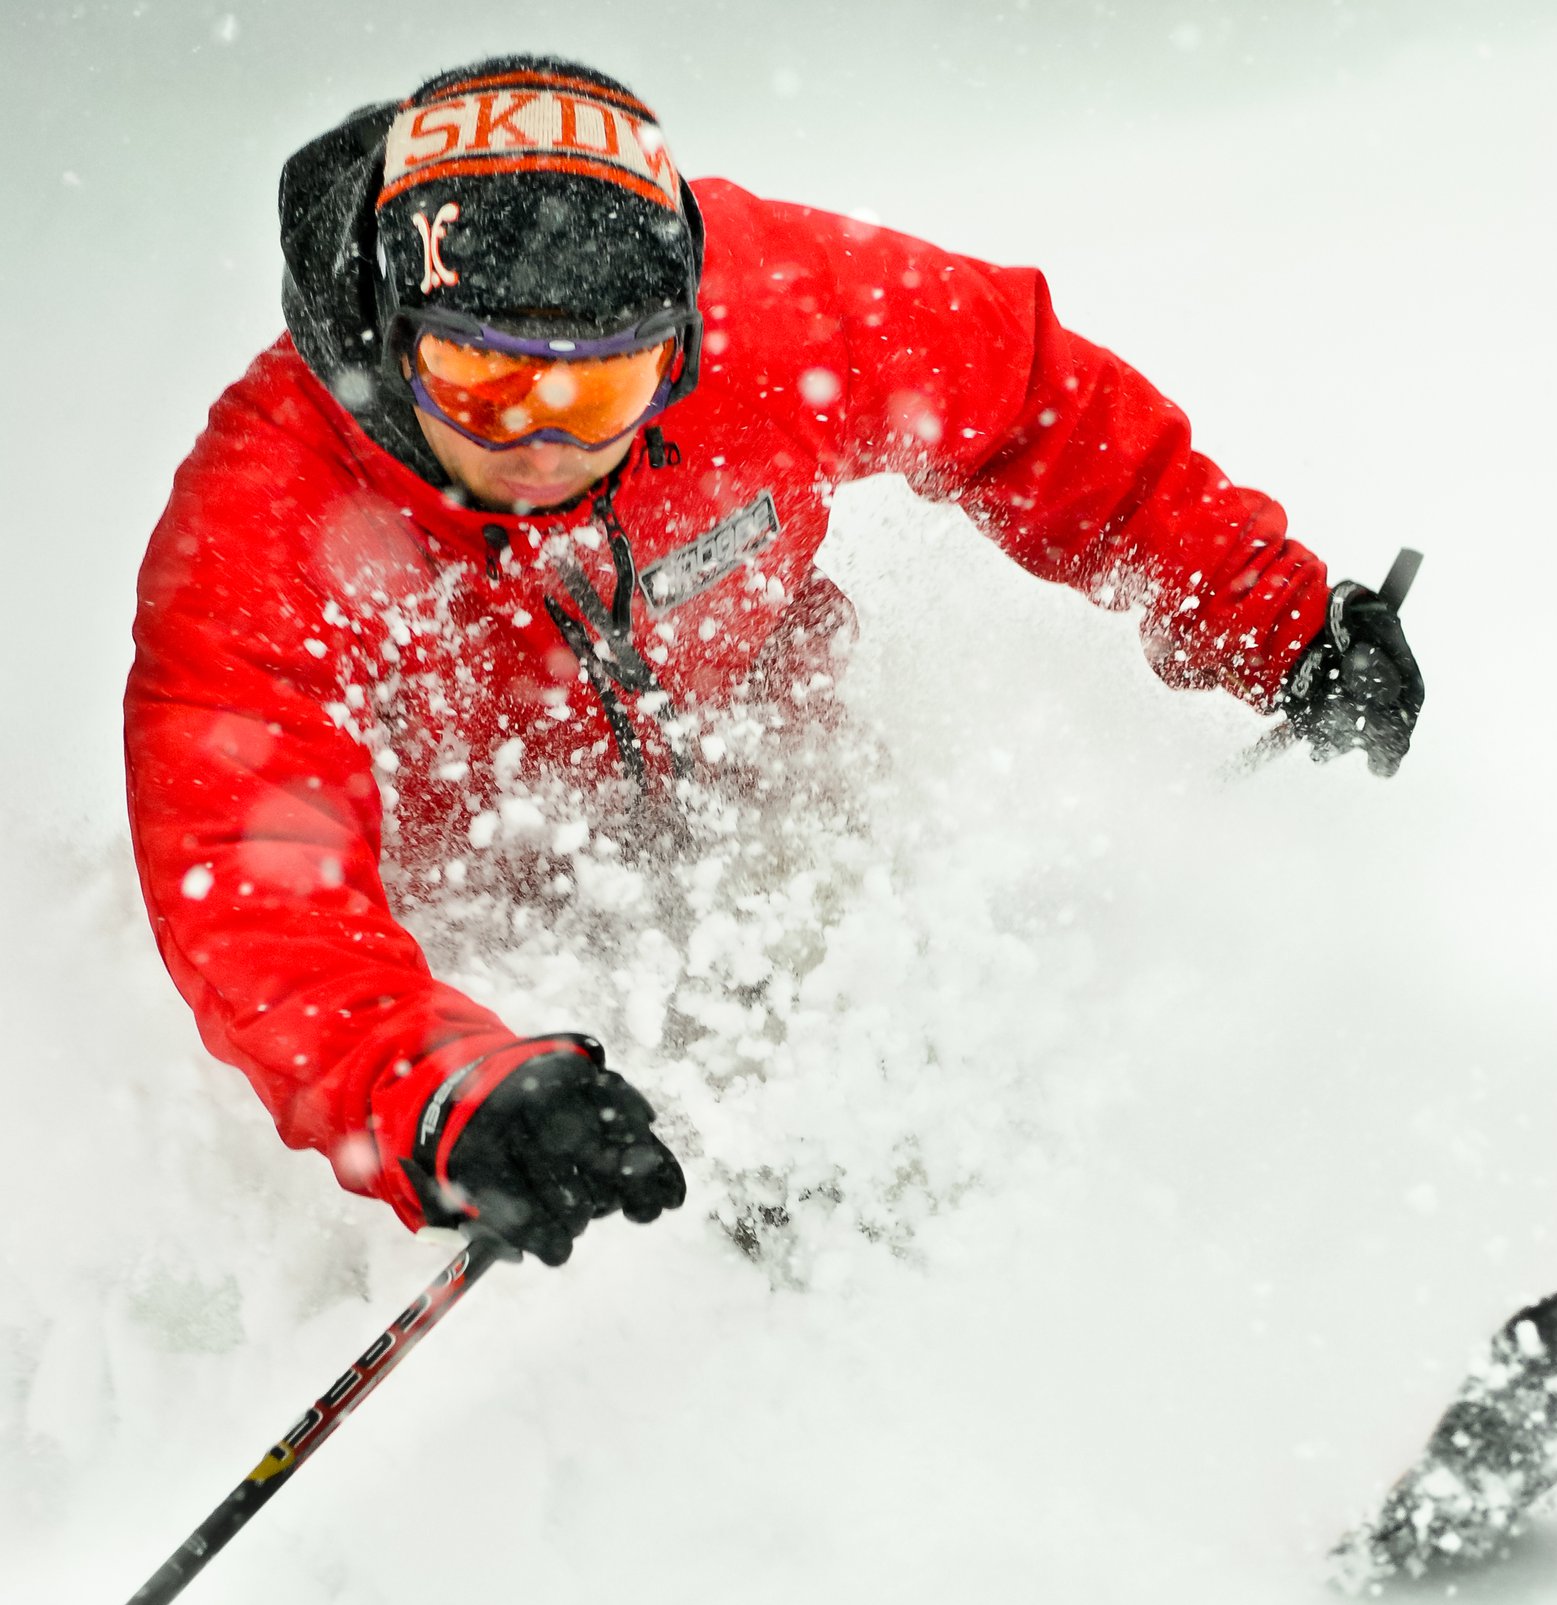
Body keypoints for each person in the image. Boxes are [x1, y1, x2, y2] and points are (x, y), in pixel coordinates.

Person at [126, 53, 1424, 1269]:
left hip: (766, 763)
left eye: (593, 392)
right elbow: (253, 888)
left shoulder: (782, 306)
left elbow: (1033, 406)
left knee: (865, 986)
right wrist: (449, 1092)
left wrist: (1278, 619)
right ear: (398, 330)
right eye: (483, 379)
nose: (539, 441)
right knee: (629, 1173)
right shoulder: (268, 517)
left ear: (681, 341)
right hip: (482, 931)